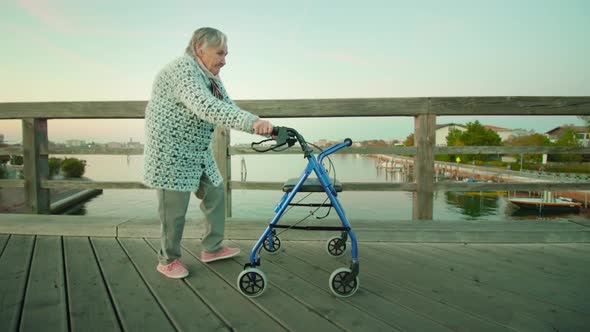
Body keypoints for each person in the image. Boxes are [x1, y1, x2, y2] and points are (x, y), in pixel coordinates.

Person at [143, 27, 273, 278]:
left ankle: (211, 248)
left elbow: (226, 106)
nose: (225, 60)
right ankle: (167, 260)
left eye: (226, 54)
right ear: (199, 48)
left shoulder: (211, 77)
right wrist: (251, 122)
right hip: (171, 153)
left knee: (215, 192)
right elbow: (205, 106)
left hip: (197, 151)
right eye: (220, 53)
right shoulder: (182, 69)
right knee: (173, 211)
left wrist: (254, 122)